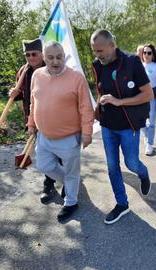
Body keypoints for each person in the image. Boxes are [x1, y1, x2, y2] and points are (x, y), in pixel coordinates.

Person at [90, 29, 153, 224]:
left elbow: (148, 94)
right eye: (94, 51)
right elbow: (102, 92)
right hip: (107, 126)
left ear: (112, 45)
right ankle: (122, 204)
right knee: (112, 167)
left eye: (100, 50)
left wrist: (119, 101)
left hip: (128, 126)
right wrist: (96, 109)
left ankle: (143, 174)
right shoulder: (97, 65)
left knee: (131, 164)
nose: (97, 55)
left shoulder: (132, 62)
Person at [27, 41, 94, 221]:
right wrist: (31, 123)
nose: (55, 61)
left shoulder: (76, 78)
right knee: (44, 166)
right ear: (44, 58)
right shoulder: (37, 75)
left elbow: (86, 107)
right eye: (50, 57)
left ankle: (71, 201)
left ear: (64, 57)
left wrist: (87, 132)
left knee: (72, 173)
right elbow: (34, 103)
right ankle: (70, 182)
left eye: (59, 57)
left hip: (69, 138)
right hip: (43, 136)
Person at [9, 38, 59, 204]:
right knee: (45, 154)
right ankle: (49, 185)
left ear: (42, 54)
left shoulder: (52, 68)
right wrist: (15, 94)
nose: (30, 57)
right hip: (33, 119)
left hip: (54, 119)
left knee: (58, 153)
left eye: (34, 54)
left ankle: (67, 180)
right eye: (27, 54)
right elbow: (23, 94)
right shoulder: (23, 71)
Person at [140, 44, 156, 156]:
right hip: (139, 96)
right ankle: (146, 135)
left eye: (149, 53)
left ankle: (149, 144)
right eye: (144, 52)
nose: (146, 55)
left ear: (153, 54)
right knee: (139, 121)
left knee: (151, 122)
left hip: (153, 96)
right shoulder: (139, 66)